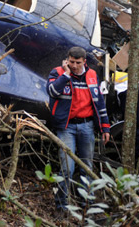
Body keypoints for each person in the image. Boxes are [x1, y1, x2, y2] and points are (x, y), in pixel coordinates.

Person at [47, 46, 110, 211]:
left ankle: (85, 206)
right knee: (67, 168)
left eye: (77, 62)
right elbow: (52, 92)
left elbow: (99, 102)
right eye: (71, 62)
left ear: (84, 61)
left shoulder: (92, 75)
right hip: (66, 127)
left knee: (87, 167)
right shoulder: (57, 72)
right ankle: (62, 207)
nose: (74, 65)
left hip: (87, 126)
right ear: (67, 59)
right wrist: (66, 74)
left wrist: (105, 127)